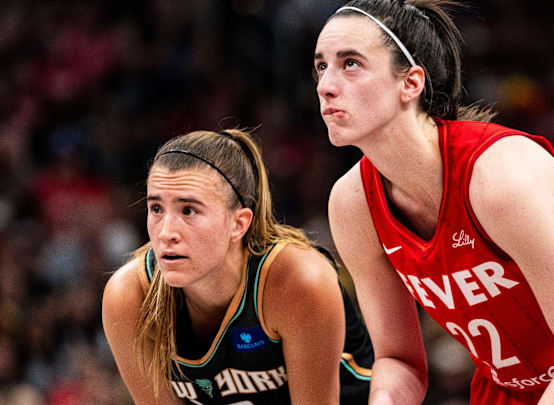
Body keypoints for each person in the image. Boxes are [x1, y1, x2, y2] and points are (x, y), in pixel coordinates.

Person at [314, 1, 554, 404]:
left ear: (411, 83)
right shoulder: (351, 204)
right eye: (321, 66)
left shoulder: (497, 179)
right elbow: (398, 359)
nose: (325, 84)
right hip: (509, 391)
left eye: (350, 63)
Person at [102, 129, 373, 405]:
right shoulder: (129, 296)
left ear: (239, 223)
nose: (165, 232)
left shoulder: (298, 281)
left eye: (189, 211)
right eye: (157, 209)